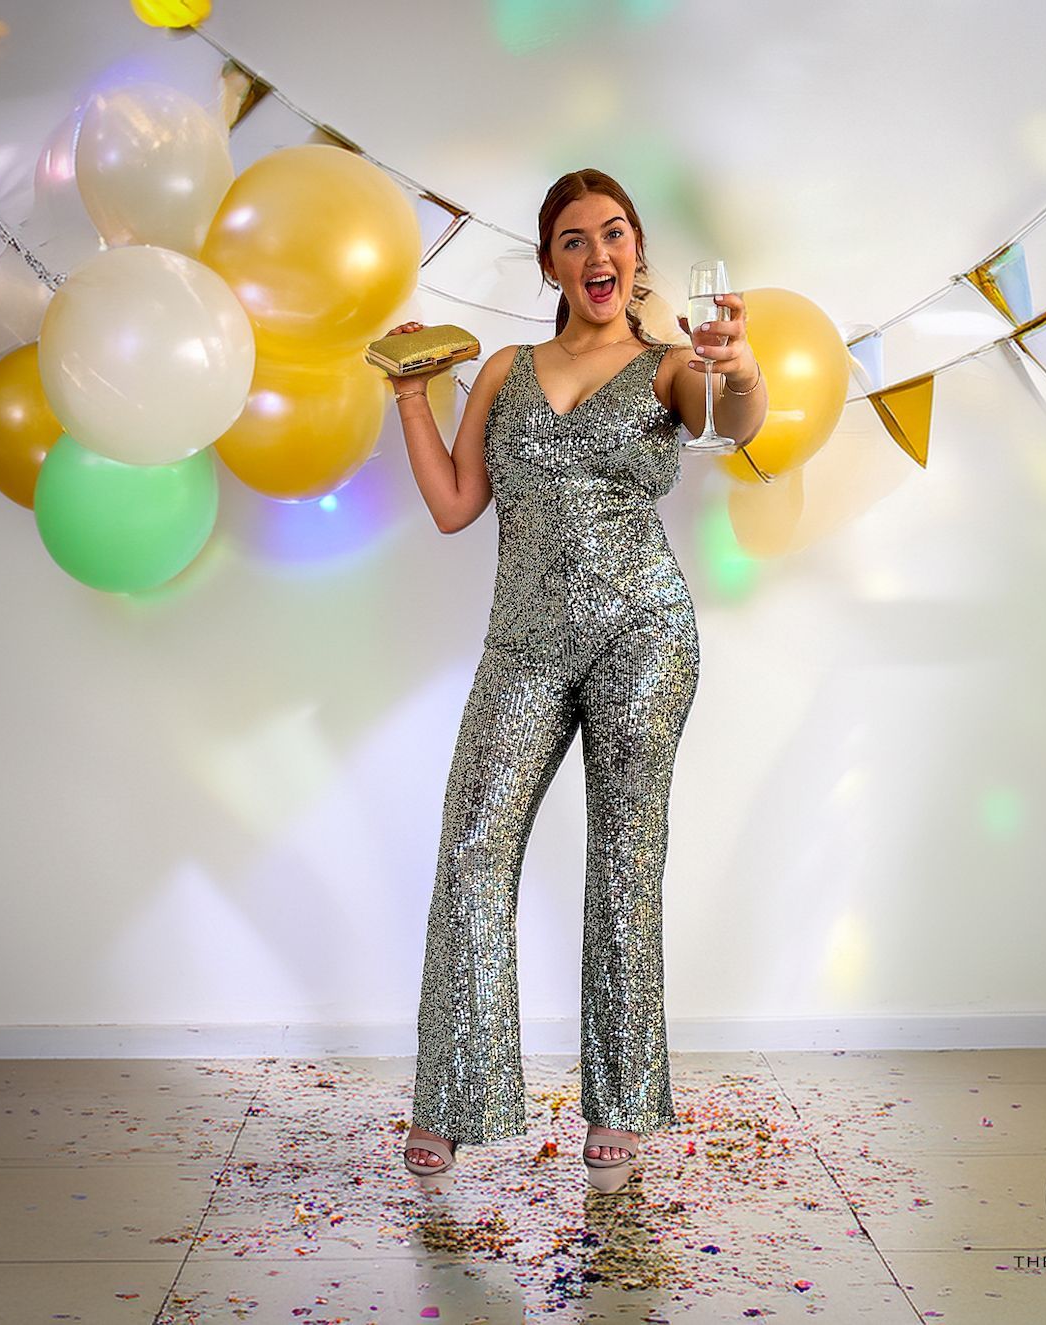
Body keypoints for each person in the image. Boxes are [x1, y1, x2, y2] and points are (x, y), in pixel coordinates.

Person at [381, 168, 766, 1192]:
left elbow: (734, 423)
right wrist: (412, 398)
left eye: (615, 234)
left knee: (623, 861)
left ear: (636, 251)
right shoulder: (504, 366)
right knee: (472, 845)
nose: (598, 255)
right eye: (573, 240)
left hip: (645, 631)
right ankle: (455, 1097)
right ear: (548, 261)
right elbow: (458, 504)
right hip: (524, 643)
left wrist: (740, 367)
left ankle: (626, 1101)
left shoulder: (673, 364)